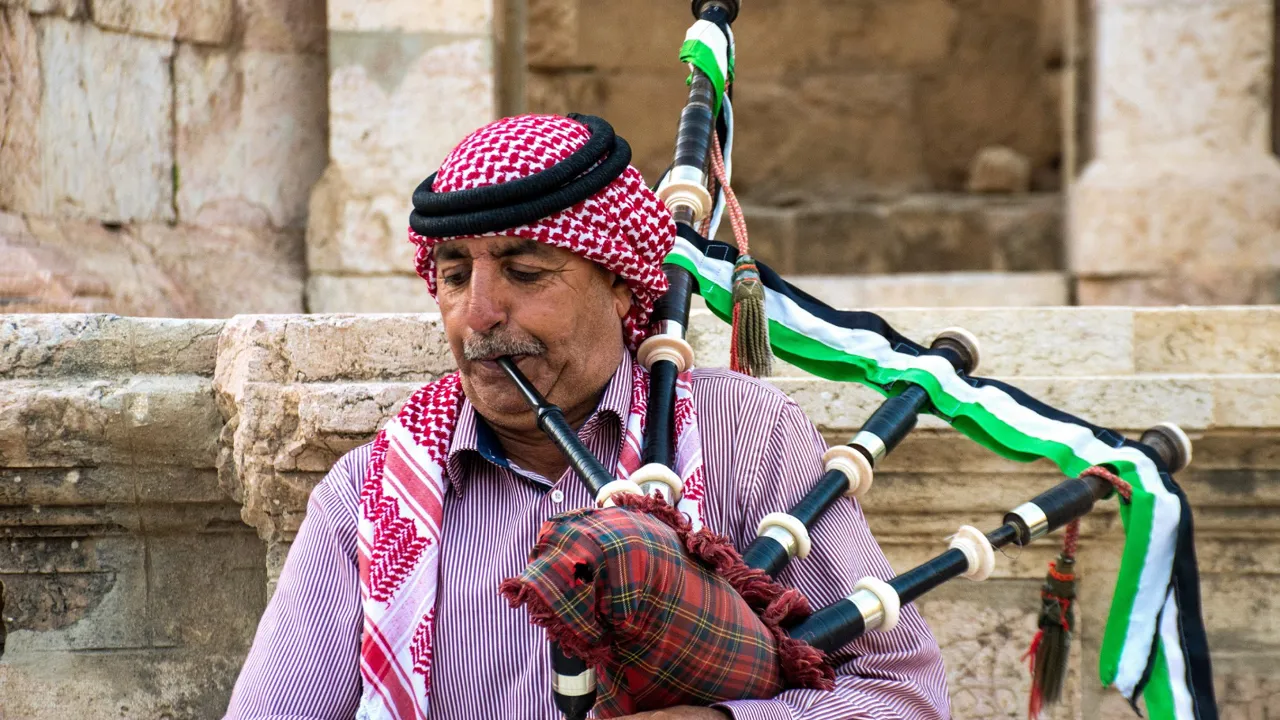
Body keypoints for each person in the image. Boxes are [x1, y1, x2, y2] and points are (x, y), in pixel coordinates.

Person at [223, 114, 950, 720]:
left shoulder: (743, 438)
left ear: (620, 288)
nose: (477, 314)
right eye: (454, 274)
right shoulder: (370, 495)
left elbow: (903, 695)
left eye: (525, 272)